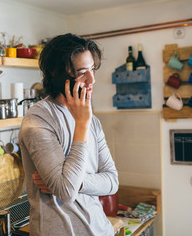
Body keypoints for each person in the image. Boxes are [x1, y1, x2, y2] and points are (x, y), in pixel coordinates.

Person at [18, 33, 119, 236]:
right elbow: (65, 191)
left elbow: (112, 181)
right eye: (82, 72)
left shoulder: (92, 120)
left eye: (92, 69)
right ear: (57, 73)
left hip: (102, 230)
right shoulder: (38, 119)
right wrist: (81, 124)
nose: (92, 79)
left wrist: (79, 182)